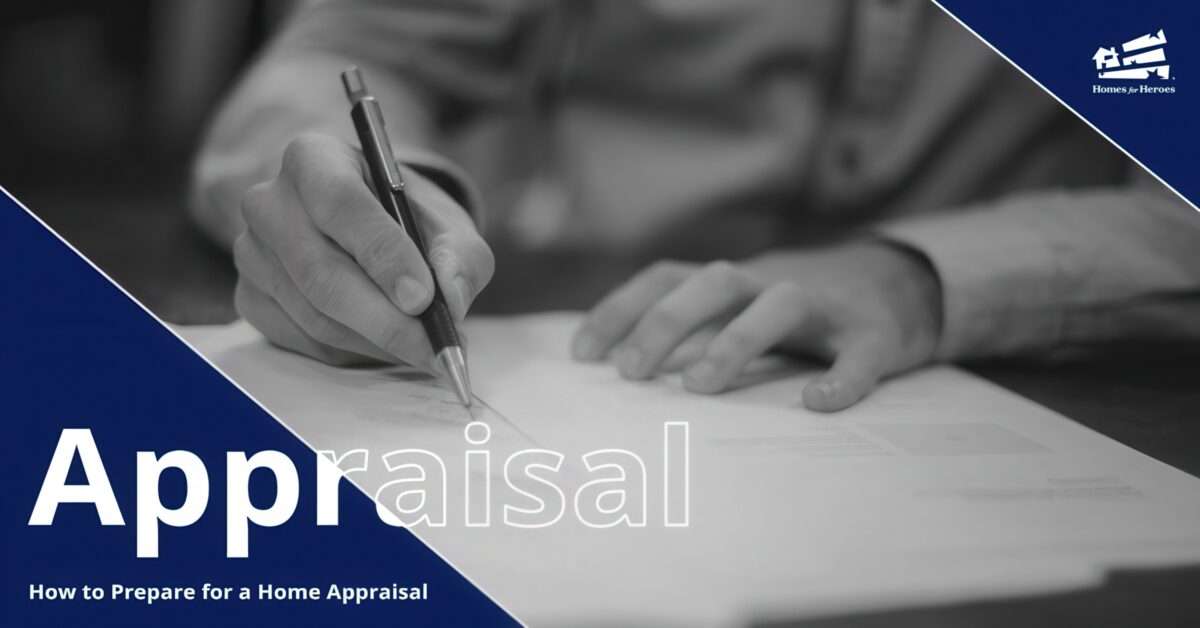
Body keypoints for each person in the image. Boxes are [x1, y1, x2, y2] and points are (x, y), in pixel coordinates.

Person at [189, 0, 1200, 412]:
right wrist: (391, 191)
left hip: (1016, 374)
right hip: (587, 335)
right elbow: (343, 52)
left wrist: (921, 273)